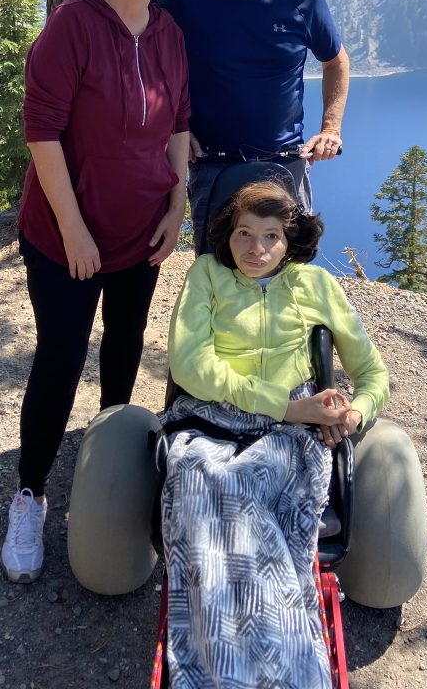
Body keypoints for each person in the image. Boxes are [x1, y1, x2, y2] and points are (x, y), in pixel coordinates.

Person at [1, 0, 190, 584]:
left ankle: (109, 473)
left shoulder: (168, 33)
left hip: (142, 229)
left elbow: (179, 126)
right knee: (59, 356)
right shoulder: (73, 24)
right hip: (64, 238)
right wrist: (74, 227)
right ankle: (30, 493)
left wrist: (178, 203)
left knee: (126, 344)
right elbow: (42, 131)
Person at [161, 180, 389, 688]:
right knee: (201, 481)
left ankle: (267, 669)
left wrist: (355, 415)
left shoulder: (317, 285)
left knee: (246, 509)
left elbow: (374, 376)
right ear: (228, 234)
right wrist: (283, 406)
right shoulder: (207, 273)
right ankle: (240, 668)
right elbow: (189, 364)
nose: (255, 249)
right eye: (244, 234)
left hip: (293, 433)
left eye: (270, 236)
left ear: (291, 241)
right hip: (210, 417)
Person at [159, 0, 350, 251]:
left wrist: (331, 128)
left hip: (286, 166)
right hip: (213, 168)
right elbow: (147, 60)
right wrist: (171, 125)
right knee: (218, 284)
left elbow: (336, 61)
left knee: (289, 287)